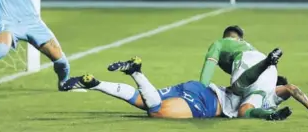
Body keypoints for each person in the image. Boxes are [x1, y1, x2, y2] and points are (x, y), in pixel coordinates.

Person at [61, 56, 292, 121]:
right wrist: (272, 114)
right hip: (207, 104)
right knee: (156, 111)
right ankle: (136, 72)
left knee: (143, 101)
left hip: (196, 88)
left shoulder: (257, 89)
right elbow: (288, 90)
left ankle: (95, 83)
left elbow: (289, 89)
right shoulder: (264, 97)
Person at [199, 25, 284, 119]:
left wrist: (201, 89)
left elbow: (209, 64)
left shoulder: (219, 43)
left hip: (246, 60)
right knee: (252, 98)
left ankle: (266, 113)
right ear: (239, 38)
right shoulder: (247, 45)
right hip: (267, 67)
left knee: (238, 90)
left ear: (225, 36)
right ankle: (269, 112)